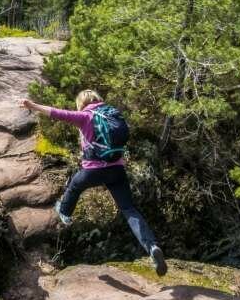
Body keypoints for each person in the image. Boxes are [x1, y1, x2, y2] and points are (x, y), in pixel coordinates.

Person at [21, 90, 168, 276]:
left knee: (74, 185)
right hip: (117, 171)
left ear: (81, 103)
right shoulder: (113, 113)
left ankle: (65, 213)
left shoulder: (85, 116)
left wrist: (32, 105)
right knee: (129, 209)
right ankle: (152, 246)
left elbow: (56, 113)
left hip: (93, 171)